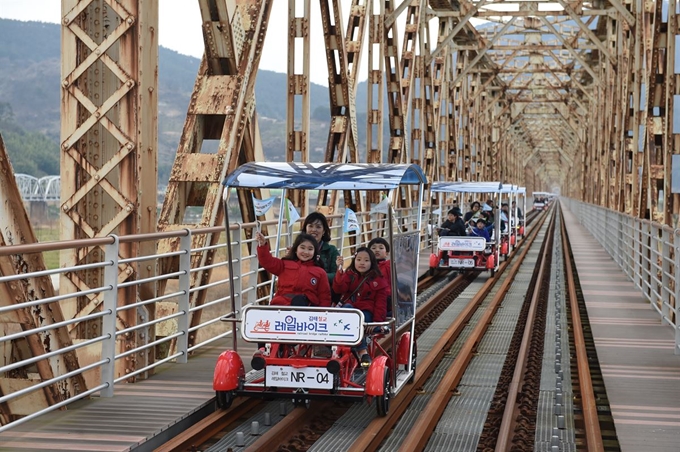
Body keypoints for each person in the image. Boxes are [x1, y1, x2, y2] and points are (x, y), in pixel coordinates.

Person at [333, 248, 389, 366]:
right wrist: (339, 271)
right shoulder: (350, 274)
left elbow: (380, 303)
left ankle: (362, 351)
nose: (362, 263)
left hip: (366, 313)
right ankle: (360, 352)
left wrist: (377, 323)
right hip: (350, 310)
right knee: (347, 311)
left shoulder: (378, 279)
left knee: (351, 315)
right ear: (354, 261)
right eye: (358, 260)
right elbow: (339, 289)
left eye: (366, 260)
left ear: (372, 262)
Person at [255, 231, 331, 307]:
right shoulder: (284, 264)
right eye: (302, 247)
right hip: (282, 305)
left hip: (307, 309)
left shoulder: (320, 272)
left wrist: (323, 314)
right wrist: (263, 245)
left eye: (310, 249)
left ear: (315, 252)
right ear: (295, 249)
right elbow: (267, 261)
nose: (306, 252)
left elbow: (324, 297)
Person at [301, 212, 339, 289]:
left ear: (324, 231)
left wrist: (317, 275)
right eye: (310, 226)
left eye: (318, 227)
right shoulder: (298, 249)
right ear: (305, 229)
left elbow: (337, 275)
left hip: (324, 290)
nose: (314, 230)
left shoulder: (332, 250)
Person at [368, 237, 392, 317]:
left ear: (387, 253)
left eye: (381, 248)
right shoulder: (365, 266)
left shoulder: (389, 266)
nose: (377, 250)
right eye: (373, 248)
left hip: (386, 297)